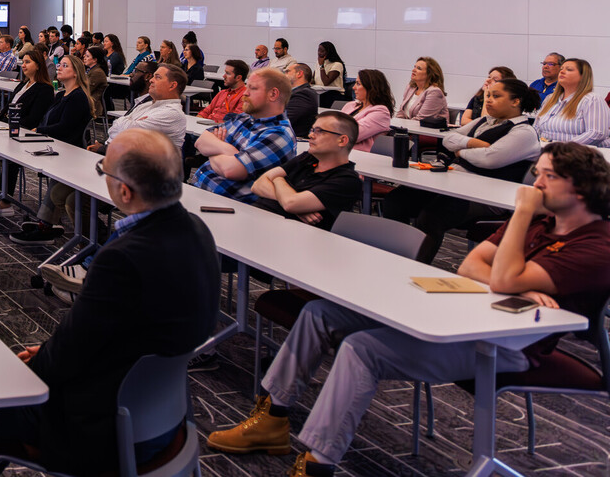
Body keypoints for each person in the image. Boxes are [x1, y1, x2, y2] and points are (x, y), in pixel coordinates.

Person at [207, 142, 610, 477]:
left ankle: (318, 464)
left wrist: (520, 220)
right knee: (320, 313)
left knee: (363, 349)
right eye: (536, 174)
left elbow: (502, 279)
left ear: (582, 189)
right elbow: (470, 266)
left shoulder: (594, 243)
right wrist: (515, 282)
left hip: (507, 346)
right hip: (464, 314)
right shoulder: (543, 221)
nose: (533, 186)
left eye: (547, 177)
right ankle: (273, 419)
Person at [0, 129, 219, 477]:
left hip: (102, 428)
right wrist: (49, 351)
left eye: (104, 170)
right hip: (163, 416)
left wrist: (31, 366)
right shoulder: (196, 229)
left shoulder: (122, 259)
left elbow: (66, 359)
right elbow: (110, 334)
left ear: (125, 190)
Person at [13, 64, 191, 245]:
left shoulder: (172, 113)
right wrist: (125, 126)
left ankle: (94, 250)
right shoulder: (147, 105)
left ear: (172, 85)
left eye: (158, 77)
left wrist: (125, 125)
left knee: (76, 201)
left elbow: (124, 131)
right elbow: (116, 129)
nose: (151, 79)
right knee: (59, 192)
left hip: (144, 179)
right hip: (119, 165)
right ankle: (95, 240)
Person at [384, 78, 543, 262]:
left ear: (516, 102)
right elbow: (448, 138)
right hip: (456, 184)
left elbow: (489, 159)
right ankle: (395, 257)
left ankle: (415, 266)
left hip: (487, 197)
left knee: (431, 216)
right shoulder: (484, 121)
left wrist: (461, 151)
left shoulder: (524, 133)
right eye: (488, 95)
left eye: (496, 96)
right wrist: (472, 144)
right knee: (396, 200)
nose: (489, 100)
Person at [5, 56, 94, 242]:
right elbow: (47, 120)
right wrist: (39, 130)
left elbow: (64, 127)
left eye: (64, 65)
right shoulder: (62, 95)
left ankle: (45, 225)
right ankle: (45, 223)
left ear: (76, 73)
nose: (59, 68)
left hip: (70, 152)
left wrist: (39, 130)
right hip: (54, 145)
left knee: (55, 187)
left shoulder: (78, 98)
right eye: (59, 64)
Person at [192, 68, 296, 203]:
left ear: (273, 94)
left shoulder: (279, 135)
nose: (245, 93)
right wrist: (228, 149)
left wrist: (213, 149)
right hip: (199, 192)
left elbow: (230, 170)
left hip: (225, 206)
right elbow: (200, 142)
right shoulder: (244, 118)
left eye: (252, 89)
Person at [251, 110, 363, 231]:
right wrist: (296, 207)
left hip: (290, 236)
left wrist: (278, 179)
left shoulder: (347, 180)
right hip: (258, 219)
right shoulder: (307, 158)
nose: (310, 135)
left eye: (320, 131)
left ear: (342, 140)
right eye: (312, 130)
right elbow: (257, 185)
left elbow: (290, 203)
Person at [0, 47, 57, 218]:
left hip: (22, 133)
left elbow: (33, 119)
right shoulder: (24, 83)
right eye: (23, 62)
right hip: (6, 127)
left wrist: (6, 127)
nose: (22, 65)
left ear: (38, 65)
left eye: (27, 62)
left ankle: (4, 203)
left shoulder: (44, 89)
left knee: (9, 158)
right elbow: (8, 108)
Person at [535, 57, 610, 145]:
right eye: (561, 69)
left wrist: (562, 147)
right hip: (545, 151)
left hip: (575, 154)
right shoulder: (550, 99)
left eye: (569, 70)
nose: (562, 72)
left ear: (583, 76)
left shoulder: (592, 99)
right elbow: (536, 127)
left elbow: (596, 133)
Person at [339, 69, 394, 152]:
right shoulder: (350, 105)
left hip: (358, 155)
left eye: (358, 84)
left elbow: (353, 135)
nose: (353, 87)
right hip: (339, 151)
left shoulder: (381, 112)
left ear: (371, 88)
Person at [395, 56, 449, 122]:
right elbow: (401, 111)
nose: (413, 70)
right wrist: (397, 124)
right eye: (414, 67)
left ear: (429, 74)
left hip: (429, 131)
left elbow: (421, 119)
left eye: (419, 68)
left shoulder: (434, 92)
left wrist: (403, 127)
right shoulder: (411, 87)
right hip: (411, 129)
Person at [285, 63, 319, 139]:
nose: (284, 75)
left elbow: (286, 120)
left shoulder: (304, 94)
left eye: (287, 72)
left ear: (299, 74)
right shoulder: (296, 92)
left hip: (293, 138)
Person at [84, 45, 109, 116]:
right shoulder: (92, 70)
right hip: (88, 99)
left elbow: (87, 90)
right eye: (85, 55)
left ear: (95, 59)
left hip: (92, 102)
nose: (85, 58)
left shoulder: (97, 72)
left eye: (87, 56)